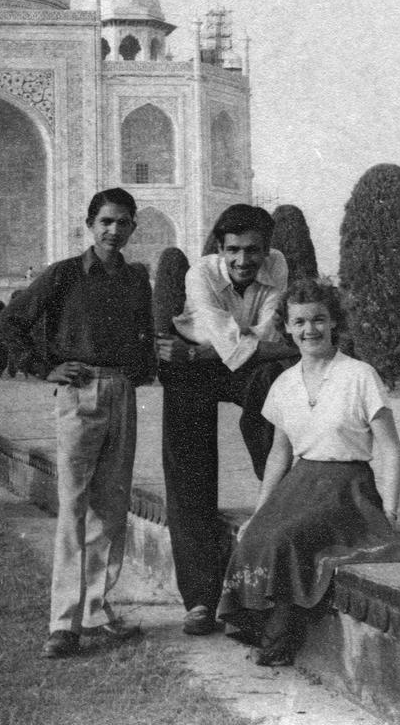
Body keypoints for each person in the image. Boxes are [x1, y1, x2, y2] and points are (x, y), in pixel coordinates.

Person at [217, 279, 400, 665]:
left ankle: (280, 633)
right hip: (300, 483)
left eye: (319, 320)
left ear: (333, 323)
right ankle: (255, 624)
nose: (310, 330)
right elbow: (279, 454)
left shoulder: (360, 375)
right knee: (257, 534)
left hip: (349, 490)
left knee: (287, 538)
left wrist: (390, 511)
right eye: (300, 322)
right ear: (288, 328)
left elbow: (391, 450)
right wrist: (259, 511)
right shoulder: (283, 383)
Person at [0, 188, 155, 658]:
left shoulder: (135, 280)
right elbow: (10, 322)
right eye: (105, 221)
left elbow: (144, 332)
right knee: (73, 505)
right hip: (79, 390)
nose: (114, 230)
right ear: (90, 224)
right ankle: (63, 622)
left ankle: (98, 611)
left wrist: (140, 371)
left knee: (112, 503)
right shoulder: (64, 274)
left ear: (132, 228)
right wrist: (44, 364)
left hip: (120, 391)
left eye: (123, 222)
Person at [156, 204, 299, 637]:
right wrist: (209, 351)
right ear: (219, 249)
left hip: (202, 354)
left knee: (272, 394)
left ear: (267, 249)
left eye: (253, 251)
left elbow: (270, 339)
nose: (243, 261)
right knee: (190, 473)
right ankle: (200, 598)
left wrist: (205, 350)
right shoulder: (200, 274)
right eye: (233, 250)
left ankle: (283, 500)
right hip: (190, 366)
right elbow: (237, 343)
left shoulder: (278, 266)